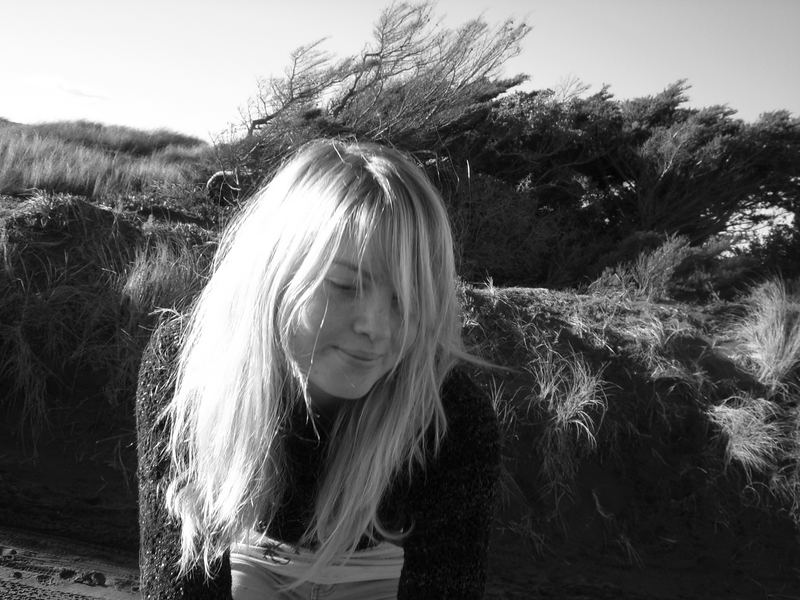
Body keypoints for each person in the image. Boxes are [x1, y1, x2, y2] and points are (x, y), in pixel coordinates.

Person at [136, 139, 500, 599]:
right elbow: (177, 585)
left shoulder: (449, 421)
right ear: (275, 272)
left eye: (406, 298)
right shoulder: (188, 371)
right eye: (345, 284)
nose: (376, 326)